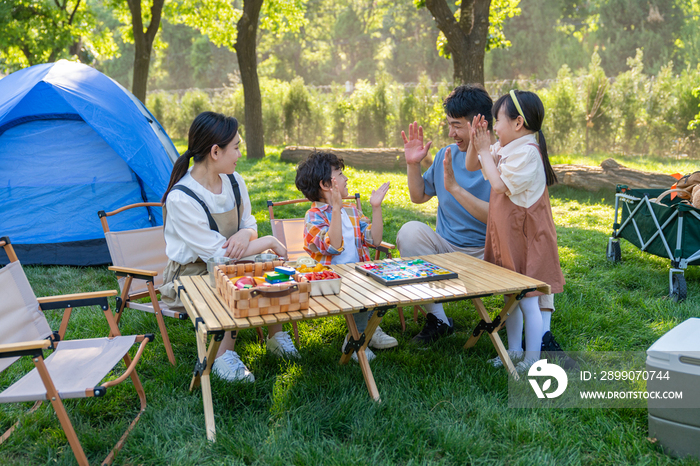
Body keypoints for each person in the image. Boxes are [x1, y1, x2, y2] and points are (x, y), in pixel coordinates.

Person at [160, 111, 299, 383]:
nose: (239, 153)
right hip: (191, 275)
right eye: (236, 147)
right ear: (215, 151)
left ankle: (276, 336)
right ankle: (223, 356)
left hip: (230, 261)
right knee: (230, 278)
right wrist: (268, 241)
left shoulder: (235, 181)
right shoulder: (182, 197)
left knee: (272, 266)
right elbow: (217, 254)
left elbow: (249, 223)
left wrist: (246, 234)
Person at [467, 90, 565, 372]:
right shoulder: (506, 147)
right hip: (510, 237)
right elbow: (473, 165)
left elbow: (498, 185)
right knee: (512, 297)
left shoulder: (527, 154)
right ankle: (512, 351)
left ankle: (532, 360)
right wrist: (477, 142)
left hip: (527, 239)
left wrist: (486, 149)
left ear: (518, 123)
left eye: (497, 121)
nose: (494, 127)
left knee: (528, 301)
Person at [398, 84, 493, 344]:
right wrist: (412, 164)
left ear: (478, 123)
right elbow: (419, 196)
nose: (451, 133)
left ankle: (523, 319)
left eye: (457, 125)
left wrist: (456, 189)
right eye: (449, 125)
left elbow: (497, 217)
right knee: (409, 232)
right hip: (448, 249)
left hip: (490, 253)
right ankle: (439, 319)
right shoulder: (446, 155)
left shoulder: (499, 159)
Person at [295, 151, 395, 361]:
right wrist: (336, 207)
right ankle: (355, 338)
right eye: (340, 174)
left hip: (359, 273)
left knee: (386, 278)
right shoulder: (314, 216)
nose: (346, 178)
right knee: (360, 285)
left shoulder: (352, 212)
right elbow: (333, 246)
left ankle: (369, 330)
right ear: (326, 184)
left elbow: (374, 240)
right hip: (331, 281)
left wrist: (376, 208)